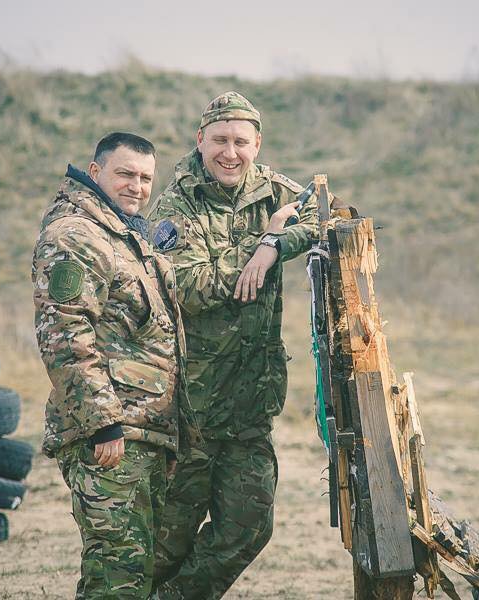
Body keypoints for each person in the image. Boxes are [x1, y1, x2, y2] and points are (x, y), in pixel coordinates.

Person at [148, 91, 318, 599]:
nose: (230, 153)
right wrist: (257, 246)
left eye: (241, 142)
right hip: (191, 407)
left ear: (257, 144)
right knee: (167, 541)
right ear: (200, 140)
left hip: (251, 400)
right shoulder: (176, 203)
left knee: (249, 525)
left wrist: (275, 244)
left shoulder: (275, 192)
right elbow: (187, 285)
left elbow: (325, 216)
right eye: (219, 140)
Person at [32, 132, 186, 599]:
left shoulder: (124, 235)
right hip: (110, 440)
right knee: (117, 576)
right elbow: (64, 337)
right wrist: (103, 424)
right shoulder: (75, 236)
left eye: (145, 178)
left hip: (143, 435)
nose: (136, 186)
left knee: (130, 574)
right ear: (95, 172)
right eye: (125, 174)